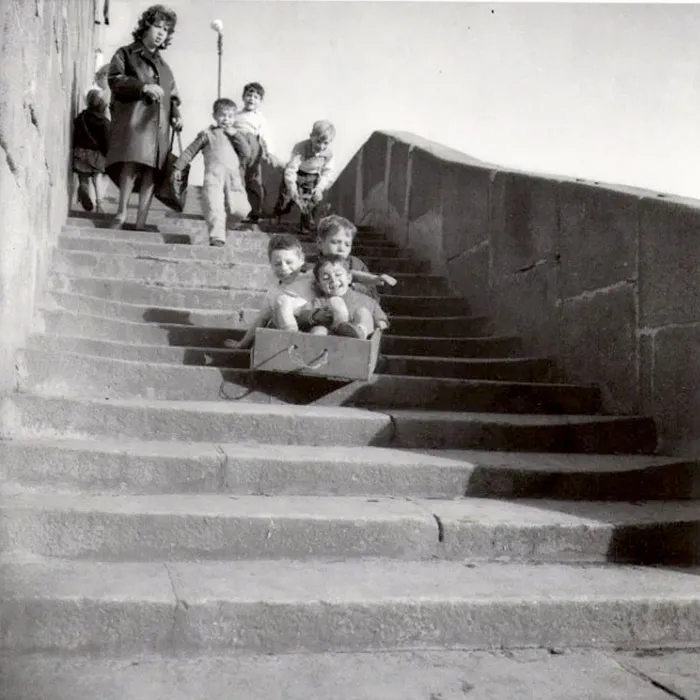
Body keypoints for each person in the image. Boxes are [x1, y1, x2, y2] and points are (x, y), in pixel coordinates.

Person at [105, 4, 183, 231]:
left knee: (152, 172)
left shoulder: (166, 67)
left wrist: (176, 115)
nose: (161, 33)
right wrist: (143, 87)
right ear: (145, 26)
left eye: (166, 30)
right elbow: (115, 79)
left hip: (159, 127)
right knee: (131, 164)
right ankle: (120, 214)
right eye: (158, 27)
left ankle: (141, 221)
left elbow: (174, 96)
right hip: (135, 121)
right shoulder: (126, 53)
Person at [172, 98, 243, 247]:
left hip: (233, 179)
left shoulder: (236, 135)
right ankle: (217, 237)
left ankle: (224, 226)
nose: (226, 119)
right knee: (214, 206)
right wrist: (178, 167)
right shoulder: (207, 134)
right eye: (222, 115)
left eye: (230, 116)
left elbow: (247, 153)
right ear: (215, 116)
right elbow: (190, 151)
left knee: (239, 210)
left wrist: (236, 136)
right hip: (213, 177)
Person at [229, 233, 318, 349]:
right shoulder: (274, 290)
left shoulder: (310, 279)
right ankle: (292, 337)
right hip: (285, 331)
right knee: (282, 301)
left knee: (319, 327)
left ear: (301, 260)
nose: (283, 268)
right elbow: (261, 319)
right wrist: (242, 343)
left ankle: (313, 347)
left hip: (311, 324)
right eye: (277, 264)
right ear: (271, 264)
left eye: (289, 262)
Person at [292, 255, 389, 339]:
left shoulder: (366, 300)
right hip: (329, 342)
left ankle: (358, 332)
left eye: (338, 274)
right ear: (319, 284)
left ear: (349, 278)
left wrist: (381, 323)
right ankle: (315, 349)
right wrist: (316, 316)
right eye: (326, 278)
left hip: (357, 344)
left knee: (363, 313)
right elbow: (301, 317)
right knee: (319, 329)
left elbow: (381, 318)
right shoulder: (319, 302)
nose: (333, 280)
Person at [310, 214, 397, 300]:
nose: (342, 248)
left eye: (347, 244)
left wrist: (352, 287)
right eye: (335, 242)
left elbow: (372, 294)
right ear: (320, 243)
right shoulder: (310, 264)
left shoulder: (356, 264)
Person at [274, 120, 336, 233]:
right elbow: (291, 169)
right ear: (311, 136)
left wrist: (319, 188)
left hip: (312, 176)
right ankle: (278, 217)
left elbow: (328, 172)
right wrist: (292, 187)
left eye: (325, 143)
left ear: (330, 142)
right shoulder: (300, 147)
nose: (321, 146)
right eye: (318, 141)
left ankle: (305, 225)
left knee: (309, 200)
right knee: (286, 197)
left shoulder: (329, 154)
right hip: (296, 173)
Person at [230, 82, 276, 224]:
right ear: (243, 97)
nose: (251, 99)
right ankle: (238, 211)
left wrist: (270, 152)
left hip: (253, 149)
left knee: (254, 180)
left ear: (260, 101)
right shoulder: (235, 115)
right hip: (237, 148)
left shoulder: (260, 118)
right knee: (238, 179)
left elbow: (265, 136)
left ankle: (255, 212)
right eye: (249, 95)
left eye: (256, 97)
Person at [72, 89, 110, 213]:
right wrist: (107, 155)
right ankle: (99, 204)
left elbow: (75, 133)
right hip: (96, 154)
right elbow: (106, 141)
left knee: (83, 176)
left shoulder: (81, 117)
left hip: (80, 151)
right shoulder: (103, 122)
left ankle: (83, 187)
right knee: (97, 177)